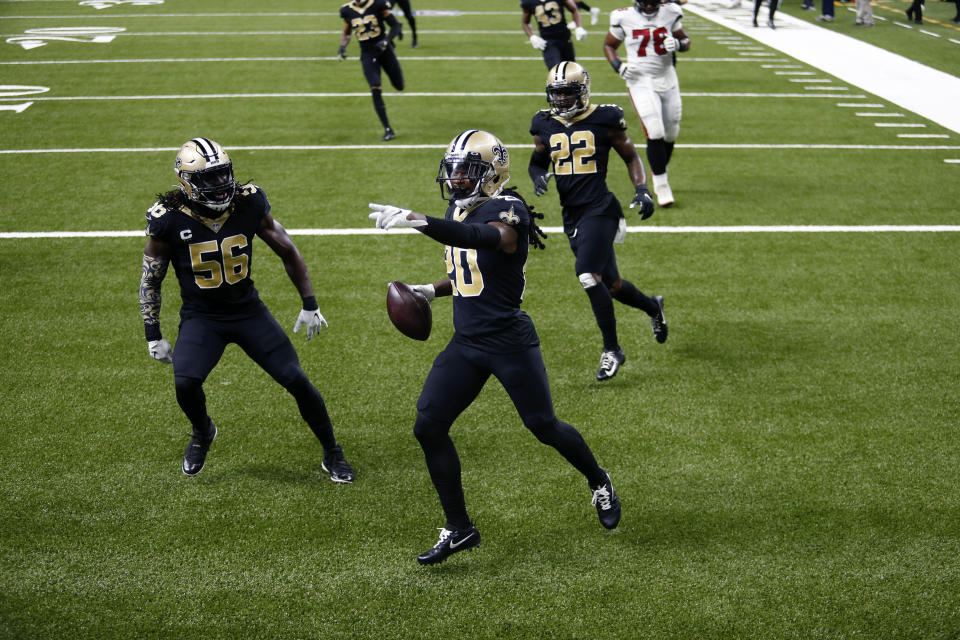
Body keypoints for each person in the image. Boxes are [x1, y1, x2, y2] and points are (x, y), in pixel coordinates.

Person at [366, 129, 622, 565]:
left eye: (468, 170)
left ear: (493, 171)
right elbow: (472, 272)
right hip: (466, 342)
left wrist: (418, 220)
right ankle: (460, 528)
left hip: (508, 341)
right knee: (428, 425)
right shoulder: (460, 208)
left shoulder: (511, 209)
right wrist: (431, 289)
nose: (458, 179)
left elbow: (485, 240)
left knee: (543, 425)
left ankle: (599, 480)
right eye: (455, 170)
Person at [139, 137, 355, 483]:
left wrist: (309, 303)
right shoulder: (167, 220)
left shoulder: (248, 203)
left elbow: (287, 250)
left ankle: (332, 452)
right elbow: (150, 279)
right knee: (185, 384)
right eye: (208, 178)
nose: (220, 184)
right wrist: (153, 333)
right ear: (187, 182)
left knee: (297, 381)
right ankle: (203, 431)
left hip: (247, 312)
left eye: (223, 174)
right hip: (202, 319)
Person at [528, 62, 667, 382]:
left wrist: (643, 190)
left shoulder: (605, 118)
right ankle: (652, 307)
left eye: (567, 92)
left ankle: (612, 349)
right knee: (612, 285)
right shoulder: (543, 123)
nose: (561, 99)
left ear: (583, 90)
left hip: (601, 209)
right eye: (557, 93)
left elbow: (631, 155)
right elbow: (537, 161)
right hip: (572, 215)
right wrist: (538, 177)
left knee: (587, 275)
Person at [604, 0, 690, 208]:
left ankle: (657, 169)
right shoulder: (623, 16)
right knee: (655, 130)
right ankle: (662, 184)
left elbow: (685, 41)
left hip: (667, 77)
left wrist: (678, 44)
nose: (650, 7)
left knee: (671, 132)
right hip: (640, 79)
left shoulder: (671, 12)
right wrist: (618, 66)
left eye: (654, 2)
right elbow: (609, 45)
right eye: (646, 2)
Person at [337, 0, 404, 141]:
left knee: (399, 85)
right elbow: (347, 32)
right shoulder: (346, 10)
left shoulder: (378, 4)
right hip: (367, 54)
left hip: (385, 51)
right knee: (375, 87)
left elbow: (396, 25)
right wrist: (342, 46)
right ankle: (388, 129)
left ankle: (388, 129)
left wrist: (386, 40)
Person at [522, 0, 588, 69]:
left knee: (570, 70)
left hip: (565, 38)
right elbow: (525, 22)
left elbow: (574, 9)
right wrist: (532, 36)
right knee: (555, 70)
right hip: (548, 41)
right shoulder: (528, 1)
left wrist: (579, 27)